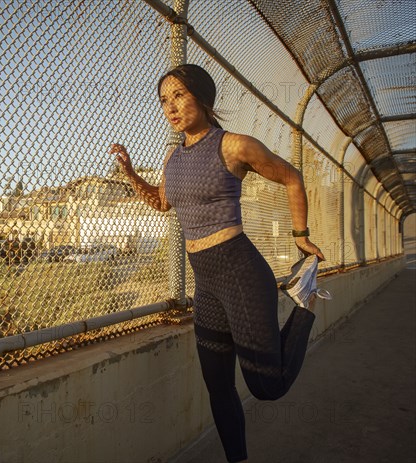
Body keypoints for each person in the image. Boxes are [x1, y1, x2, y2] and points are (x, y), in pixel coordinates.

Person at [109, 64, 325, 463]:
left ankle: (306, 302)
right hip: (204, 281)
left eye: (179, 95)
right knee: (218, 385)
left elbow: (292, 178)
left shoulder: (234, 145)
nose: (170, 107)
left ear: (203, 98)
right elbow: (162, 201)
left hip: (239, 271)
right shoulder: (172, 155)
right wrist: (130, 173)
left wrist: (301, 237)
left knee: (266, 385)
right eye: (163, 100)